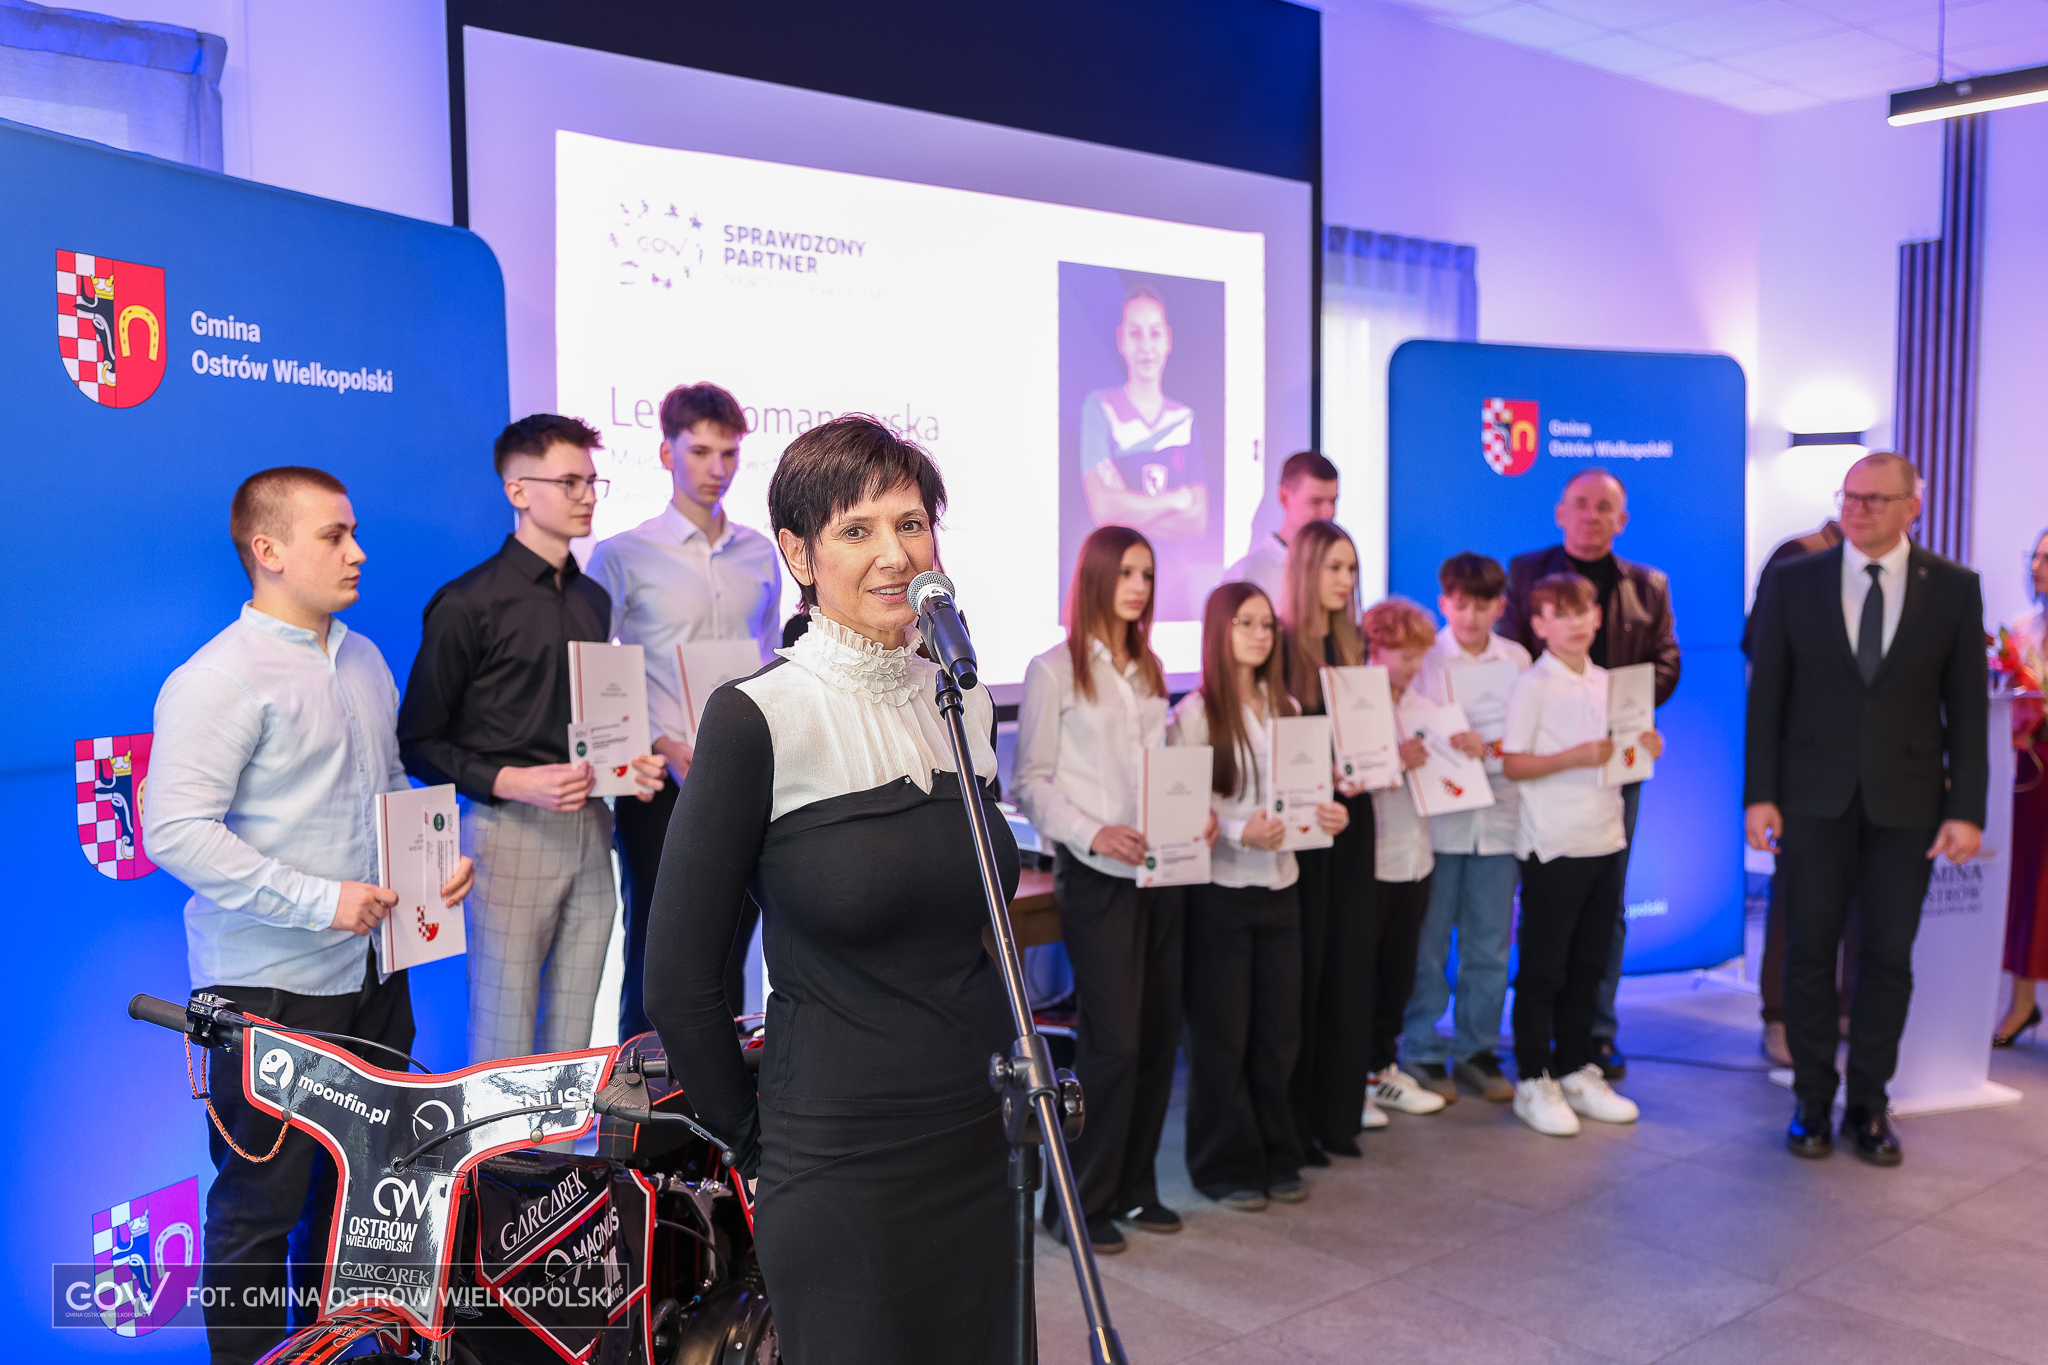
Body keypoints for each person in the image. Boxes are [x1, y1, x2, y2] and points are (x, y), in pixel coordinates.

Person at [642, 417, 1017, 1364]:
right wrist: (756, 1142)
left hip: (979, 1127)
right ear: (798, 553)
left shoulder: (963, 697)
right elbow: (680, 979)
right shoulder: (758, 716)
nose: (896, 553)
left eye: (912, 523)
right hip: (837, 1154)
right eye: (857, 530)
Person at [144, 467, 474, 1365]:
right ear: (269, 550)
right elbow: (173, 830)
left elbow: (388, 785)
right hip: (270, 993)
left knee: (354, 1203)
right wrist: (324, 900)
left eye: (354, 531)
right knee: (258, 1211)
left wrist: (434, 862)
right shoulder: (219, 677)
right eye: (335, 535)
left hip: (373, 978)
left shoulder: (362, 657)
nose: (358, 551)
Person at [398, 415, 664, 1063]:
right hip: (507, 833)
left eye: (592, 481)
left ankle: (566, 1137)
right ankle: (499, 1139)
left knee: (573, 1037)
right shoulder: (467, 603)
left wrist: (627, 765)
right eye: (569, 482)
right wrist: (511, 780)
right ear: (517, 490)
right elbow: (417, 741)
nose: (587, 495)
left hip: (593, 827)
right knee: (504, 1031)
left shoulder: (594, 599)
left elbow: (588, 721)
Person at [1747, 451, 1988, 1166]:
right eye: (1849, 497)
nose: (1856, 510)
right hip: (1811, 798)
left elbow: (1967, 709)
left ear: (1913, 505)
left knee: (1887, 957)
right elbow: (1767, 697)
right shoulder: (1795, 579)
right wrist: (1759, 794)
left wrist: (1966, 807)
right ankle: (1811, 1101)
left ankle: (1870, 1104)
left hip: (1908, 803)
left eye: (1874, 499)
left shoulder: (1954, 587)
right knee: (1809, 951)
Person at [587, 382, 781, 1041]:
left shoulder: (760, 552)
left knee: (736, 940)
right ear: (667, 453)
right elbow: (595, 678)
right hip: (659, 782)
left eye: (728, 453)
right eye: (700, 451)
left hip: (745, 774)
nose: (716, 468)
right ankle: (642, 1093)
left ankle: (727, 1094)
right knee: (658, 949)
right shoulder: (622, 554)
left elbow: (769, 660)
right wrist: (659, 743)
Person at [1013, 525, 1187, 1252]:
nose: (1139, 587)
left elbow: (1164, 765)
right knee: (1113, 1044)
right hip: (1096, 873)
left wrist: (1192, 809)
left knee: (1157, 1036)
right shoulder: (1053, 668)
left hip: (1164, 868)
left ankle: (1136, 1187)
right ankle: (1075, 1204)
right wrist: (1094, 833)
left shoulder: (1150, 666)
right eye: (1126, 573)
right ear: (1096, 578)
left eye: (1147, 574)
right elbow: (1031, 781)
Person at [1169, 582, 1348, 1209]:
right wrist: (1239, 829)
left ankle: (1276, 1151)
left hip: (1281, 887)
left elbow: (1304, 796)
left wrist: (1326, 814)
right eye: (1245, 623)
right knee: (1222, 1037)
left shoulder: (1288, 707)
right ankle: (1224, 1166)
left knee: (1278, 1032)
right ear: (1219, 631)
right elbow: (1184, 805)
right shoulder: (1193, 714)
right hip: (1221, 891)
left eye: (1267, 624)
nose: (1259, 634)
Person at [1500, 467, 1680, 1078]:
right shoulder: (1526, 574)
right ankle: (1537, 1054)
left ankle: (1592, 1038)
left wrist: (1628, 721)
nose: (1591, 515)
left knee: (1607, 906)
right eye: (1580, 503)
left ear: (1621, 520)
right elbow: (1511, 659)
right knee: (1546, 919)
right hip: (1548, 779)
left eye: (1605, 507)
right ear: (1560, 512)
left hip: (1615, 767)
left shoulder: (1648, 585)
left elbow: (1666, 661)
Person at [1501, 573, 1655, 1137]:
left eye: (1583, 611)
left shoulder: (1610, 683)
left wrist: (1645, 748)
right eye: (1560, 614)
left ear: (1597, 618)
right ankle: (1532, 1077)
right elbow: (1513, 762)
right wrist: (1574, 757)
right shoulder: (1532, 686)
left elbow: (1624, 756)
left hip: (1605, 837)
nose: (1575, 623)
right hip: (1552, 842)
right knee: (1544, 967)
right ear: (1539, 625)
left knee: (1590, 964)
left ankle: (1575, 1068)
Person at [1403, 552, 1531, 1103]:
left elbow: (1528, 739)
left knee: (1489, 945)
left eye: (1482, 606)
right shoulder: (1425, 659)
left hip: (1499, 820)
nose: (1471, 617)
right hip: (1438, 824)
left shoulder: (1518, 659)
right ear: (1443, 603)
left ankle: (1478, 1049)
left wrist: (1492, 747)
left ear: (1500, 606)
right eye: (1460, 605)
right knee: (1429, 945)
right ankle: (1421, 1047)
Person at [1275, 518, 1378, 1160]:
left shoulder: (1355, 644)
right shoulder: (1279, 647)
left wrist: (1367, 767)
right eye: (1334, 567)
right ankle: (1296, 1124)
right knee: (1304, 977)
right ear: (1307, 570)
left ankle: (1338, 1116)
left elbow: (1367, 739)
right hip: (1303, 829)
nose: (1345, 580)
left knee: (1348, 968)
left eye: (1351, 569)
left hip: (1353, 822)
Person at [1744, 516, 1849, 1067]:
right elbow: (1762, 656)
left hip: (1879, 772)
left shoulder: (1916, 575)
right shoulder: (1799, 556)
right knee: (1796, 898)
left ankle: (1847, 1008)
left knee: (1865, 900)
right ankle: (1781, 1015)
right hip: (1805, 763)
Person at [1359, 597, 1453, 1122]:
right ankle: (1349, 1077)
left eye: (1420, 656)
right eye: (1405, 655)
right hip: (1369, 863)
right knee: (1361, 975)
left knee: (1398, 974)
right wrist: (1394, 762)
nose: (1415, 667)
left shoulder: (1425, 709)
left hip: (1417, 857)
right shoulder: (1355, 707)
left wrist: (1462, 751)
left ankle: (1381, 1069)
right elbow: (1346, 778)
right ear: (1375, 649)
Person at [1997, 529, 2048, 1047]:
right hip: (2032, 771)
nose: (2037, 566)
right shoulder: (2020, 628)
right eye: (2034, 556)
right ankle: (2022, 1003)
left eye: (2047, 559)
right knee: (2030, 885)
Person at [1228, 450, 1341, 603]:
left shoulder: (1340, 569)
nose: (1328, 513)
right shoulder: (1248, 573)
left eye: (1333, 501)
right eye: (1315, 502)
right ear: (1284, 497)